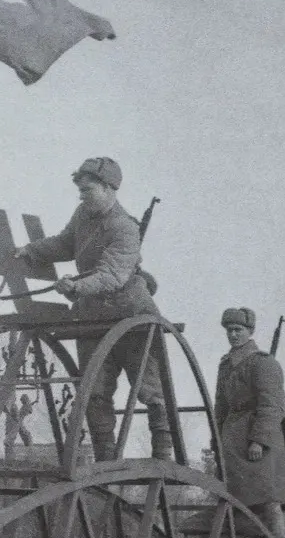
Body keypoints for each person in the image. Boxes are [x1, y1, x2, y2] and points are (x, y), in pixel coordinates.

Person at [12, 157, 172, 461]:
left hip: (131, 314)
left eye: (88, 190)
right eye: (80, 191)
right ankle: (105, 457)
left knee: (149, 388)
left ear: (110, 188)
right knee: (95, 389)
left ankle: (162, 454)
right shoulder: (83, 214)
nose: (82, 196)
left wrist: (76, 287)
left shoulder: (125, 228)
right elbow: (64, 244)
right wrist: (31, 250)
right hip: (93, 315)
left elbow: (113, 275)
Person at [214, 307, 285, 538]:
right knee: (234, 491)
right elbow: (220, 405)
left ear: (249, 331)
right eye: (229, 330)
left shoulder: (263, 363)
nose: (233, 335)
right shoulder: (226, 364)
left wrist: (259, 440)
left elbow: (273, 405)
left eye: (238, 330)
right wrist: (216, 439)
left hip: (255, 435)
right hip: (232, 436)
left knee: (265, 492)